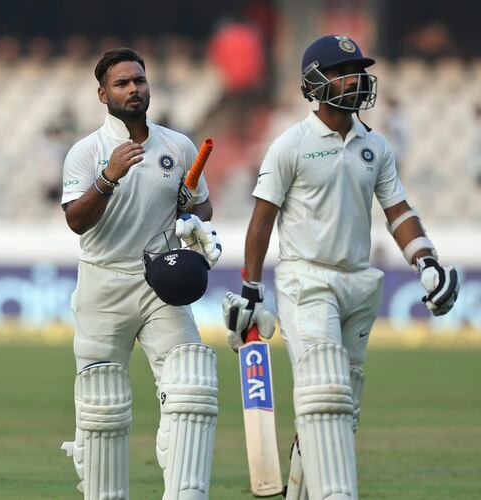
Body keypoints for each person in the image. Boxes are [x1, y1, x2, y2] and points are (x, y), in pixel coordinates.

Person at [221, 35, 460, 499]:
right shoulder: (291, 145)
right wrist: (251, 287)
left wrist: (426, 261)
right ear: (315, 82)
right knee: (325, 393)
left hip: (359, 282)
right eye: (343, 70)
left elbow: (399, 212)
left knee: (339, 408)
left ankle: (298, 490)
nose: (356, 79)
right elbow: (261, 219)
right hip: (306, 279)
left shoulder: (376, 146)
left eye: (358, 70)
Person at [59, 47, 223, 500]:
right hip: (102, 283)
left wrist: (193, 205)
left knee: (191, 384)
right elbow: (76, 220)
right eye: (122, 84)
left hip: (160, 280)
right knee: (101, 406)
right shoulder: (87, 152)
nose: (134, 90)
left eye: (139, 81)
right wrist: (107, 178)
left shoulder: (178, 145)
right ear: (102, 94)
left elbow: (202, 207)